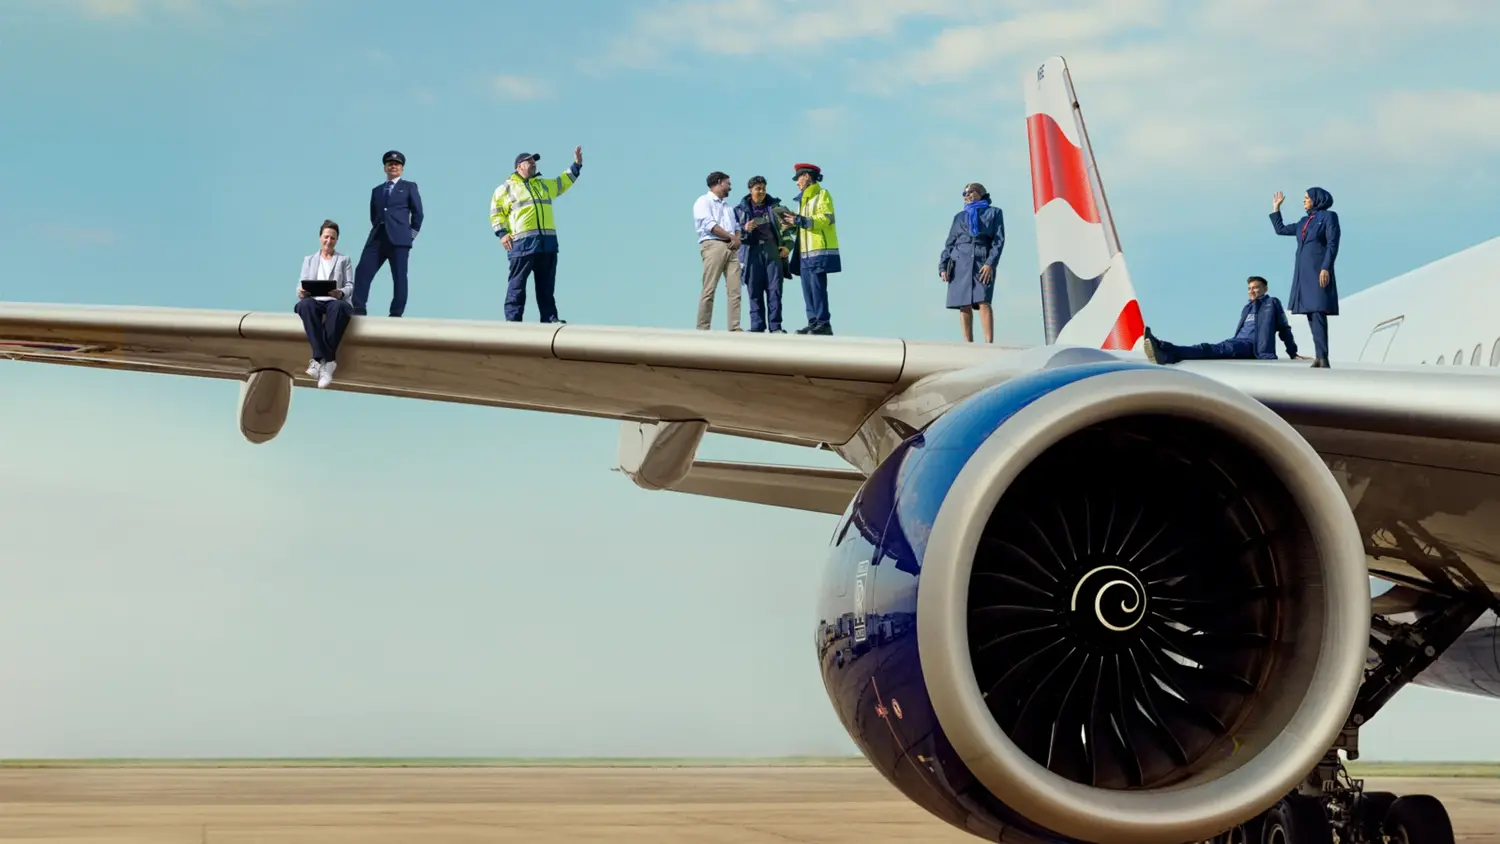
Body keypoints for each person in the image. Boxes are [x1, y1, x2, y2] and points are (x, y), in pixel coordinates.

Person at [489, 146, 584, 323]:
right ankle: (513, 322)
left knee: (546, 288)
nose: (533, 163)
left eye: (534, 161)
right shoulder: (505, 189)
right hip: (521, 245)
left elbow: (561, 182)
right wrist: (502, 234)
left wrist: (576, 165)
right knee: (517, 286)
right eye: (529, 161)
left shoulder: (542, 185)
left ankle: (549, 320)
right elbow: (496, 213)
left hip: (547, 244)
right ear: (519, 167)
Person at [1141, 275, 1303, 365]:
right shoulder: (1246, 308)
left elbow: (1284, 329)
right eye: (1249, 288)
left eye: (1255, 287)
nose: (1251, 291)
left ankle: (1163, 347)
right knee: (1210, 350)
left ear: (1265, 289)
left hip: (1251, 347)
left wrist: (1293, 353)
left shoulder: (1272, 303)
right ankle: (1167, 355)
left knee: (1207, 349)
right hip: (1238, 342)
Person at [1270, 187, 1340, 368]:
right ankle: (1319, 356)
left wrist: (1326, 267)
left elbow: (1332, 244)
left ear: (1317, 199)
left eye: (1307, 198)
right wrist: (1276, 208)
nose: (1304, 201)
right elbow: (1281, 229)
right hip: (1303, 272)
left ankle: (1323, 357)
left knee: (1318, 311)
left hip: (1318, 270)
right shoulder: (1303, 221)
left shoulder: (1328, 217)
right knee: (1310, 312)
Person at [352, 150, 423, 318]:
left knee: (399, 277)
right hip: (378, 237)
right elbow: (374, 214)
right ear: (384, 168)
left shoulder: (409, 187)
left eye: (397, 164)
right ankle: (359, 308)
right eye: (390, 163)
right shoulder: (377, 191)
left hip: (399, 239)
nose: (393, 166)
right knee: (362, 270)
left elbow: (418, 214)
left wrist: (409, 235)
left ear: (402, 168)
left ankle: (396, 313)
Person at [939, 183, 1005, 343]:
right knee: (964, 304)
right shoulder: (959, 217)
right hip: (959, 261)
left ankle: (989, 342)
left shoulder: (994, 212)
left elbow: (998, 241)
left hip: (982, 261)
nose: (966, 195)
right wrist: (943, 265)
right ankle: (967, 343)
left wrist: (990, 263)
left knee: (983, 300)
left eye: (969, 192)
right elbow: (949, 243)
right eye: (964, 193)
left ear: (980, 193)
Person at [780, 163, 841, 335]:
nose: (797, 183)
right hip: (804, 253)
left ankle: (824, 323)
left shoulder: (822, 194)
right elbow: (803, 224)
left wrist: (800, 220)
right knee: (807, 288)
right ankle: (813, 321)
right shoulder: (802, 200)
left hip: (818, 251)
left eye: (798, 178)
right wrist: (791, 223)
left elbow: (826, 218)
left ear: (806, 176)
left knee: (818, 287)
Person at [295, 219, 355, 389]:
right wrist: (301, 292)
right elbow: (301, 283)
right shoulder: (309, 259)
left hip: (335, 301)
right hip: (314, 300)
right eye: (326, 237)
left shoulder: (344, 260)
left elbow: (350, 286)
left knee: (338, 307)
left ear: (337, 240)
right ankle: (328, 362)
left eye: (333, 238)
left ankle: (317, 361)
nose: (329, 241)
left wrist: (340, 293)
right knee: (305, 306)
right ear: (320, 237)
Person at [734, 176, 795, 333]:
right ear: (750, 190)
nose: (761, 192)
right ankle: (757, 326)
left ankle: (776, 327)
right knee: (754, 290)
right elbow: (732, 232)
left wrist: (788, 246)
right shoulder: (739, 211)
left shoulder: (776, 208)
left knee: (775, 290)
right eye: (757, 189)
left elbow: (792, 229)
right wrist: (744, 227)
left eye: (763, 188)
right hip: (751, 253)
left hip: (772, 252)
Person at [692, 171, 742, 331]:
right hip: (713, 245)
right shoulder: (703, 201)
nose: (730, 187)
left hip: (732, 247)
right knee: (709, 288)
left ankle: (734, 327)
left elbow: (737, 227)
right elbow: (710, 225)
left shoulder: (728, 207)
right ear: (719, 182)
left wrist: (737, 238)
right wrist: (731, 237)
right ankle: (703, 327)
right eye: (728, 183)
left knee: (735, 290)